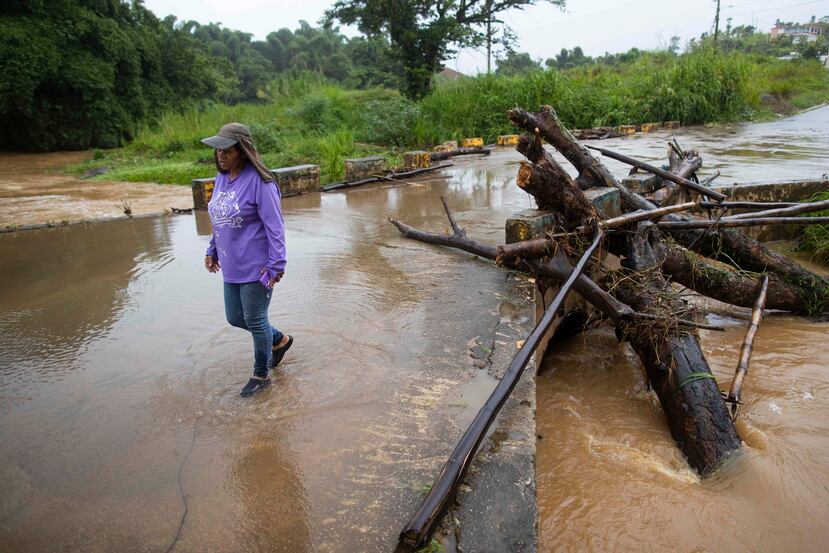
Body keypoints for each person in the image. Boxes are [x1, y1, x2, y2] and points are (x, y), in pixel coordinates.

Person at [201, 122, 293, 397]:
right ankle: (279, 340)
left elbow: (275, 227)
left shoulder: (261, 183)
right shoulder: (221, 178)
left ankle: (261, 375)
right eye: (218, 151)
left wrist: (277, 265)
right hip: (231, 263)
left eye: (227, 151)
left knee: (255, 319)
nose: (220, 156)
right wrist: (212, 248)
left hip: (258, 266)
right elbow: (220, 219)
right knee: (235, 317)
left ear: (243, 150)